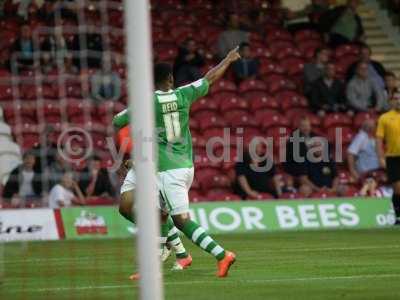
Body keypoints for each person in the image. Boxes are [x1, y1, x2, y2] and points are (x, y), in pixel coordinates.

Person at [113, 47, 241, 279]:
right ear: (171, 78)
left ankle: (221, 254)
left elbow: (117, 121)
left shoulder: (146, 102)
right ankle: (171, 256)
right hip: (177, 165)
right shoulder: (184, 93)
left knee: (180, 221)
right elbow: (209, 77)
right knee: (136, 207)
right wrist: (228, 59)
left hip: (166, 170)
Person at [376, 92, 400, 225]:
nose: (398, 101)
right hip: (392, 157)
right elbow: (379, 139)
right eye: (396, 99)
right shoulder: (384, 118)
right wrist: (380, 157)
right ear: (391, 101)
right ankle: (398, 216)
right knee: (398, 188)